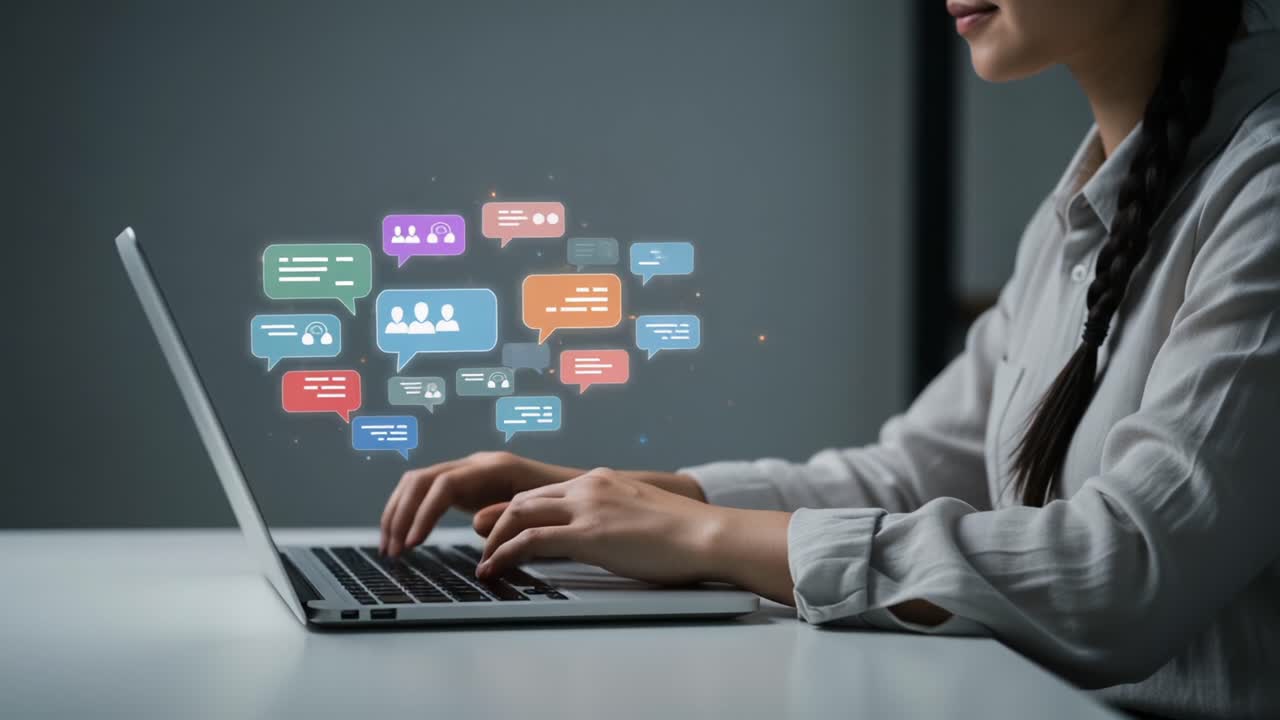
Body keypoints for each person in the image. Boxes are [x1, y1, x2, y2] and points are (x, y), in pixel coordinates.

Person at [379, 2, 1280, 717]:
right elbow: (913, 473)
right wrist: (630, 498)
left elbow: (1121, 573)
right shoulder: (1084, 209)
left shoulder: (1263, 191)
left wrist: (703, 539)